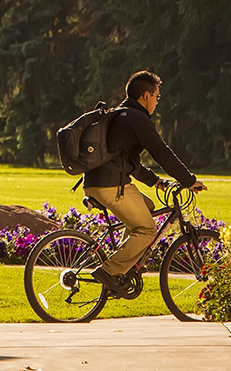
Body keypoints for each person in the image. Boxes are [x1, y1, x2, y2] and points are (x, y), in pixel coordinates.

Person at [86, 71, 206, 299]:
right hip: (111, 185)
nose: (157, 102)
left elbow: (129, 163)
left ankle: (123, 267)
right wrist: (188, 180)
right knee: (148, 230)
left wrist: (157, 182)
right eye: (156, 97)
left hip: (99, 182)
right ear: (145, 96)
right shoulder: (137, 118)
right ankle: (110, 271)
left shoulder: (120, 115)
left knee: (148, 207)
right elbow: (160, 151)